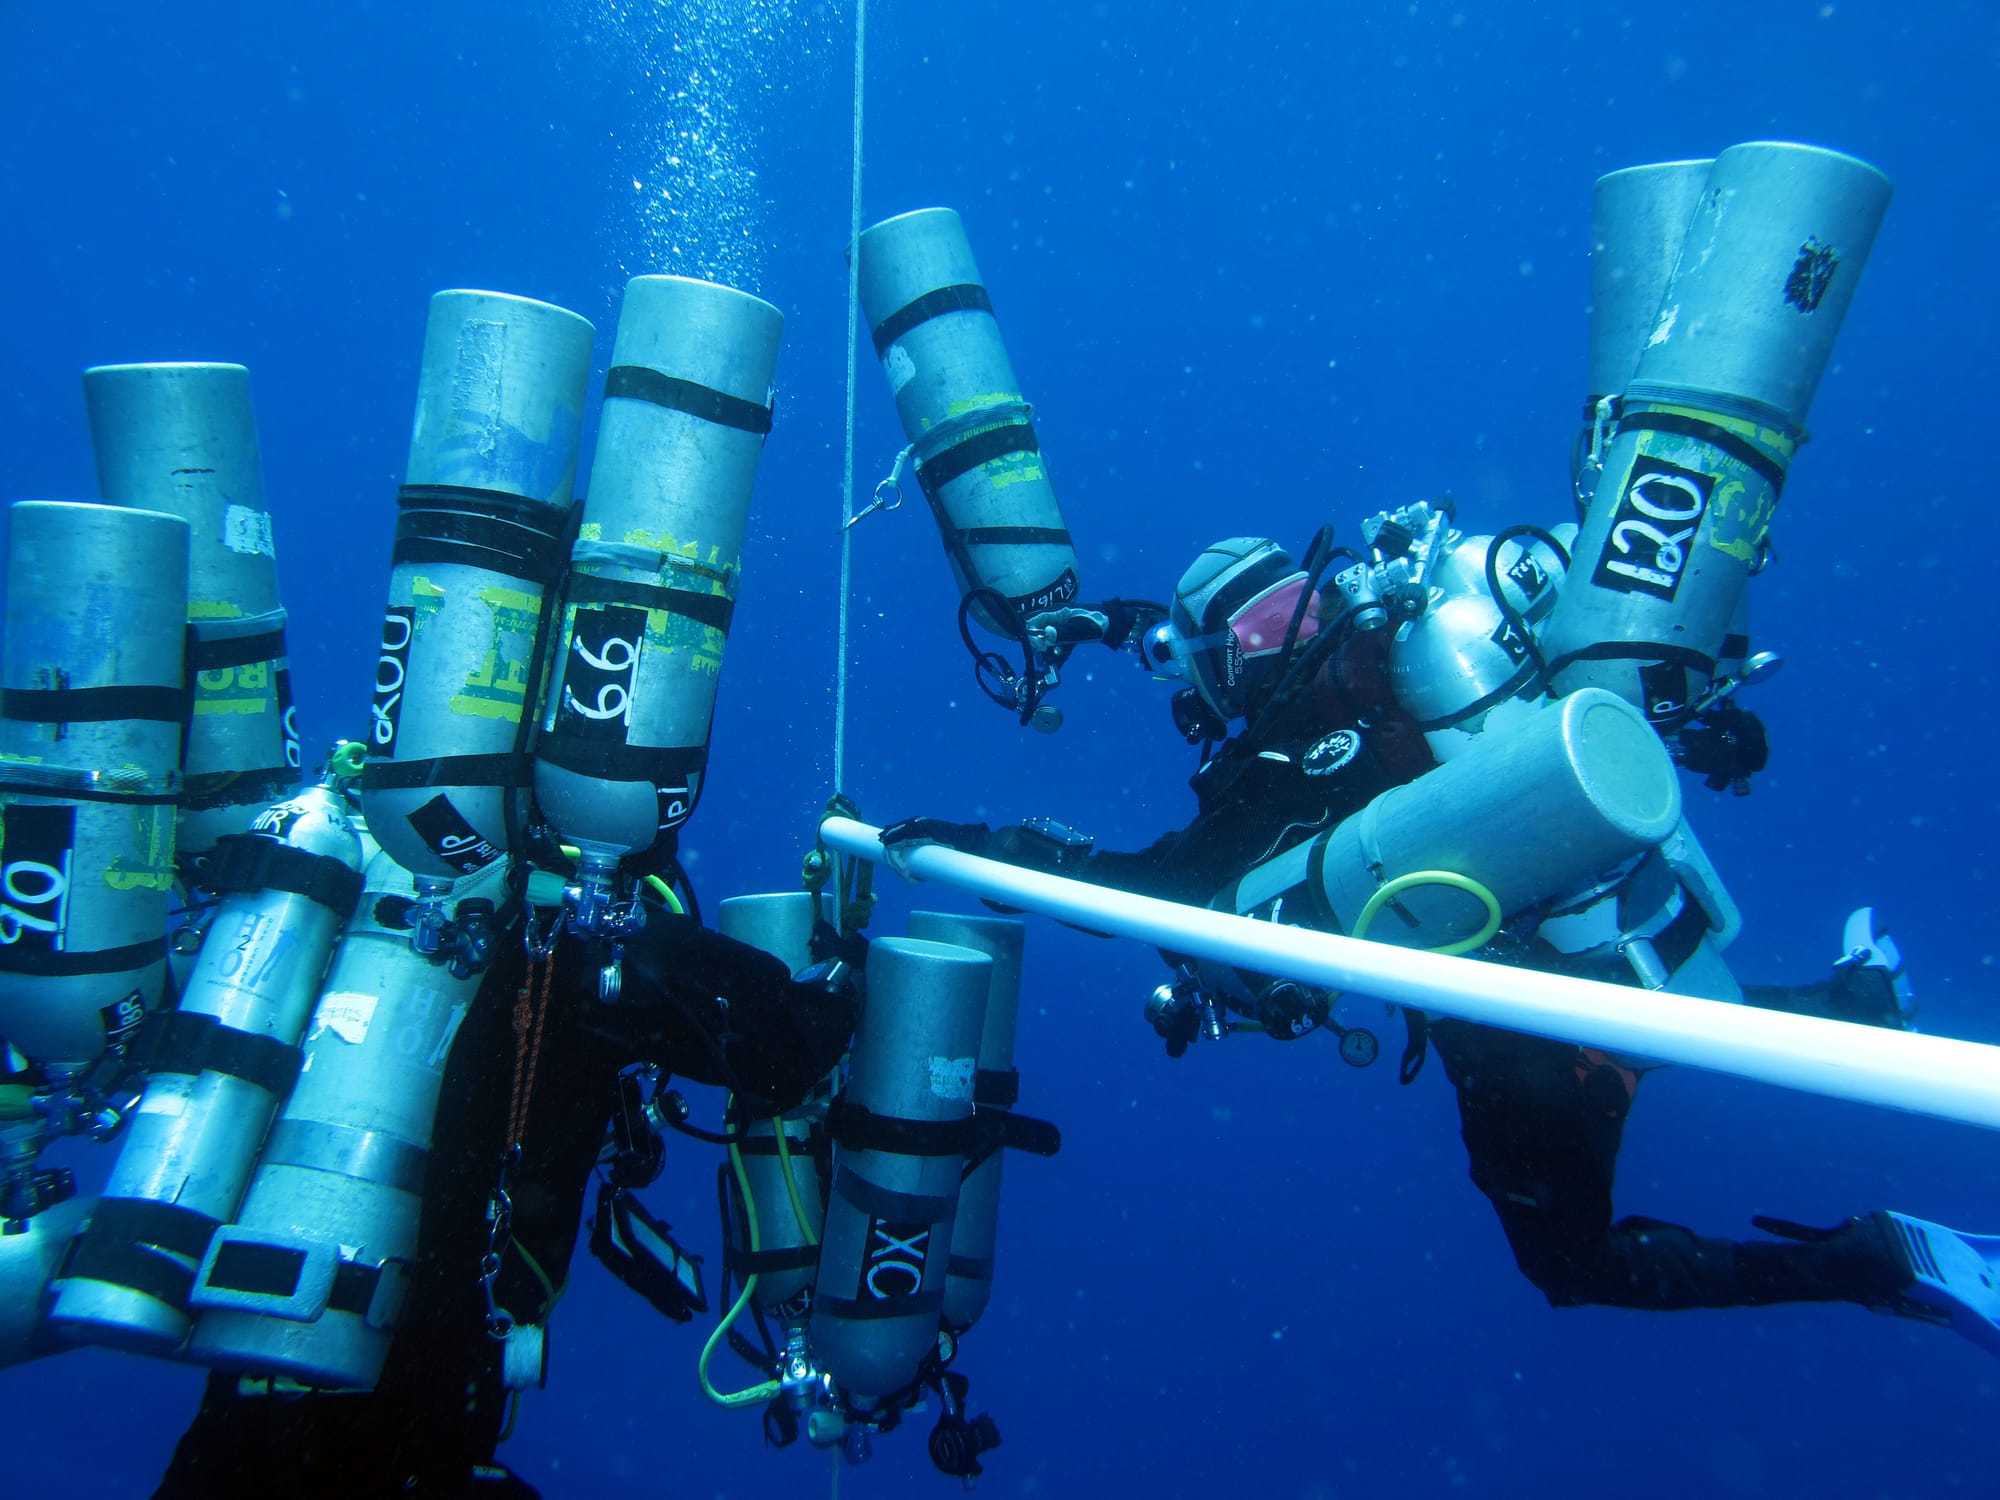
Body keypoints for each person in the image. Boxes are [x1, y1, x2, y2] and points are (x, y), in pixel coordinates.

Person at [881, 530, 1976, 1332]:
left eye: (1273, 626)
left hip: (1523, 1037)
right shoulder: (1415, 659)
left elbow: (1153, 892)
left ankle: (1861, 1264)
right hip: (1624, 926)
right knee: (1671, 1020)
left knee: (1571, 1263)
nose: (1274, 646)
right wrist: (1124, 626)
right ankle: (1857, 1004)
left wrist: (980, 845)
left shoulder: (1273, 770)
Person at [153, 892, 857, 1499]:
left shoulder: (354, 883)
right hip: (410, 1409)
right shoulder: (595, 932)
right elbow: (787, 1053)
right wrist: (852, 981)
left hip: (242, 1386)